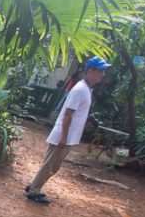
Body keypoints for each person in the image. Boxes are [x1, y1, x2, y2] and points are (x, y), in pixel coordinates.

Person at [24, 56, 111, 204]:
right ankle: (34, 190)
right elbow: (68, 114)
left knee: (51, 164)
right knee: (51, 165)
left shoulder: (86, 89)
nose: (102, 75)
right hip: (65, 135)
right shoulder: (80, 89)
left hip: (68, 135)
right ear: (91, 71)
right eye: (101, 71)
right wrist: (64, 137)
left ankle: (34, 186)